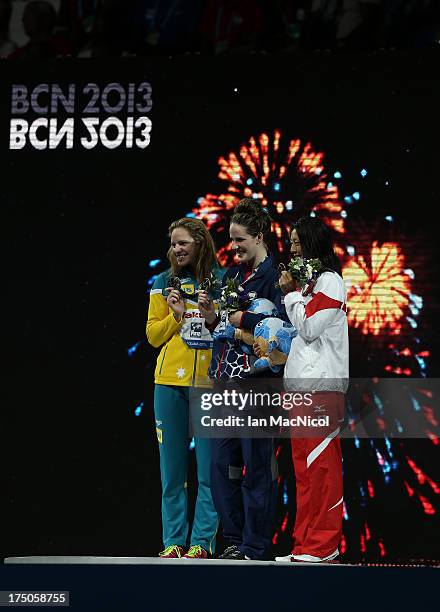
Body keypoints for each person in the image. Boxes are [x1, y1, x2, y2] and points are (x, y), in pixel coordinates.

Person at [198, 198, 287, 561]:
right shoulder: (231, 277)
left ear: (260, 236)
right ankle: (234, 540)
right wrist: (208, 317)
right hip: (225, 381)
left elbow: (281, 337)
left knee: (257, 467)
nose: (233, 247)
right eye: (231, 239)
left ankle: (255, 544)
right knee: (221, 467)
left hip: (260, 384)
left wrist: (240, 323)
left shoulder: (277, 277)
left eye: (240, 240)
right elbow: (219, 327)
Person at [146, 217, 223, 559]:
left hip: (210, 385)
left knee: (209, 472)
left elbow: (226, 332)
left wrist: (210, 316)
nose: (176, 249)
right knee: (172, 473)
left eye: (183, 243)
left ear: (200, 243)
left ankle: (201, 543)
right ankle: (173, 542)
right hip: (168, 385)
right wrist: (175, 315)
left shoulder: (223, 281)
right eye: (173, 244)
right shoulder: (163, 282)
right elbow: (152, 336)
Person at [276, 216, 349, 563]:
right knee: (303, 472)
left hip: (323, 387)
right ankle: (304, 544)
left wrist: (291, 294)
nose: (290, 249)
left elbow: (308, 328)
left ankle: (325, 545)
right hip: (300, 388)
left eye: (295, 242)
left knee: (322, 468)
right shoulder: (309, 288)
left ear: (311, 243)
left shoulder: (331, 282)